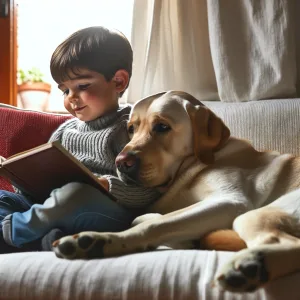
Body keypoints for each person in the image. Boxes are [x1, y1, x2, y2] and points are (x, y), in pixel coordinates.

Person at [0, 26, 160, 252]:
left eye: (82, 86)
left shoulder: (133, 127)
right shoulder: (64, 132)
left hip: (108, 213)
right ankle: (43, 240)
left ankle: (14, 235)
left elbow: (150, 188)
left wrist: (107, 185)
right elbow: (36, 192)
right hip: (52, 209)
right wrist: (19, 176)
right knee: (4, 198)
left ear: (118, 82)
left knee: (74, 195)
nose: (71, 98)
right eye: (65, 91)